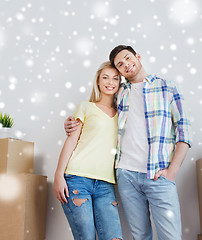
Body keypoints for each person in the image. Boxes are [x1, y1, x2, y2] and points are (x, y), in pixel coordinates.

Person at [65, 45, 192, 240]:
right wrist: (72, 123)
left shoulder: (167, 86)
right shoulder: (120, 92)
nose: (126, 65)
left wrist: (172, 171)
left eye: (128, 58)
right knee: (140, 236)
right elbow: (100, 114)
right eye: (120, 64)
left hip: (159, 175)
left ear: (138, 56)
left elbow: (184, 130)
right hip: (126, 176)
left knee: (171, 236)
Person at [53, 61, 123, 240]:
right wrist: (58, 176)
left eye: (115, 78)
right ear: (98, 82)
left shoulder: (123, 113)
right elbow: (71, 141)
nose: (110, 82)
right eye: (105, 77)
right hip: (77, 180)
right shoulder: (85, 107)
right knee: (86, 237)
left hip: (106, 184)